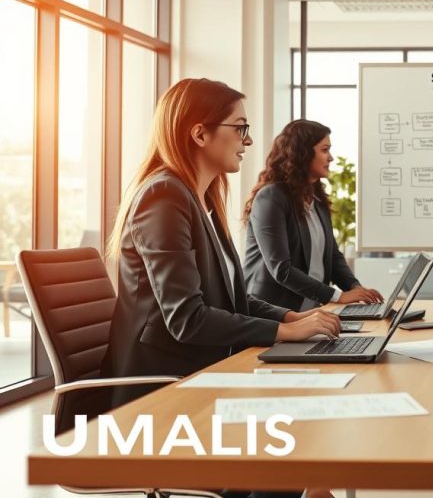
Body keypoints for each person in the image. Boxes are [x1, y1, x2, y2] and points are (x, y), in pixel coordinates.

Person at [103, 78, 341, 498]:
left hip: (199, 374)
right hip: (161, 395)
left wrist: (290, 317)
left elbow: (231, 298)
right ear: (200, 133)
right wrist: (284, 333)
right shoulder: (163, 197)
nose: (247, 141)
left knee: (310, 435)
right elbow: (186, 319)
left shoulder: (199, 197)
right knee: (297, 445)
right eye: (240, 128)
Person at [243, 119, 383, 311]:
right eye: (324, 150)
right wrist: (338, 296)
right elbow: (281, 270)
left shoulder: (316, 199)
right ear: (303, 153)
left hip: (309, 313)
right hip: (269, 314)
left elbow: (333, 256)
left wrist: (355, 288)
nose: (331, 158)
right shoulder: (271, 197)